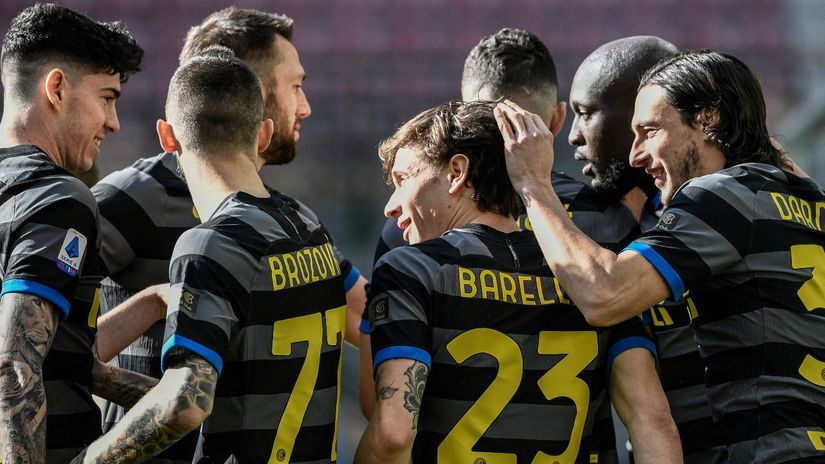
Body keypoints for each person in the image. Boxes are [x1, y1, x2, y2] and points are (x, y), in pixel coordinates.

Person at [360, 28, 675, 463]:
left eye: (402, 179)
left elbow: (386, 419)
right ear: (555, 121)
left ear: (457, 169)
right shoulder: (601, 252)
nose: (392, 206)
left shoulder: (408, 257)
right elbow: (651, 418)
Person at [496, 50, 825, 463]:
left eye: (650, 131)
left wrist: (533, 185)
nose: (636, 155)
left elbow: (604, 294)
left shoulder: (721, 195)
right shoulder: (809, 200)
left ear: (707, 119)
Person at [91, 8, 367, 460]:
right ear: (258, 107)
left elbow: (368, 315)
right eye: (295, 86)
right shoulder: (135, 196)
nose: (305, 106)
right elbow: (32, 320)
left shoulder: (277, 223)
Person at [569, 36, 727, 463]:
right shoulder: (596, 224)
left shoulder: (718, 209)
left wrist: (533, 188)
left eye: (586, 113)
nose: (574, 136)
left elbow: (604, 295)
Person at [0, 4, 145, 462]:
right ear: (57, 88)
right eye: (106, 98)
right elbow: (15, 366)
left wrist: (172, 402)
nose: (113, 122)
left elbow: (61, 357)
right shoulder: (57, 196)